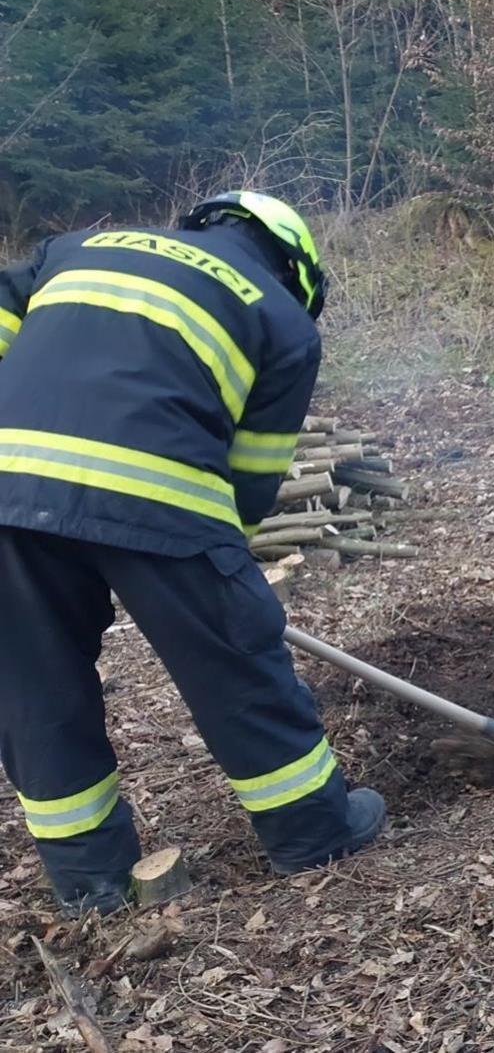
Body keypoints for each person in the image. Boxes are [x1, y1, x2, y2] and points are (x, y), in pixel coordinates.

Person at [0, 191, 385, 915]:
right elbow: (249, 479)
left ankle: (90, 882)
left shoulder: (76, 247)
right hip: (160, 490)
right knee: (236, 663)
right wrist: (213, 577)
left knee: (32, 688)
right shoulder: (282, 320)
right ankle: (312, 831)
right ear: (295, 268)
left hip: (4, 487)